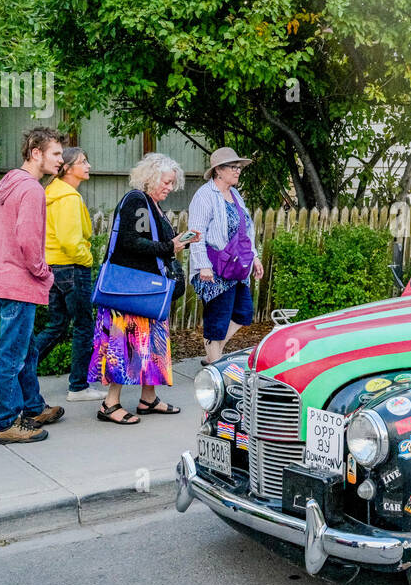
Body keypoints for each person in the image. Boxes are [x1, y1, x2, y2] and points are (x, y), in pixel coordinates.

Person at [90, 153, 196, 424]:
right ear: (151, 178)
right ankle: (109, 404)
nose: (170, 188)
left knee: (151, 345)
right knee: (122, 345)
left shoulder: (151, 205)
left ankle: (148, 399)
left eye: (173, 183)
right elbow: (130, 242)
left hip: (146, 292)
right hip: (130, 292)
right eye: (167, 182)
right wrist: (170, 246)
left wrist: (176, 242)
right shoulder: (138, 201)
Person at [0, 127, 66, 444]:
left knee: (26, 350)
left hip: (1, 278)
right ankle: (5, 422)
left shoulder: (10, 183)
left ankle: (33, 406)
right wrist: (44, 273)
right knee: (12, 356)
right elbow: (28, 242)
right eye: (56, 154)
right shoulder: (31, 190)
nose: (61, 160)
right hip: (18, 281)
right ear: (36, 153)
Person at [32, 147, 104, 401]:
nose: (88, 166)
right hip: (73, 269)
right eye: (82, 162)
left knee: (57, 325)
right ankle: (78, 387)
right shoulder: (69, 198)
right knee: (84, 326)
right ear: (67, 168)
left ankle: (21, 369)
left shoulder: (50, 194)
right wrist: (88, 259)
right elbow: (70, 241)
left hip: (53, 269)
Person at [188, 147, 262, 365]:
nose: (237, 171)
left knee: (243, 313)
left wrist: (255, 257)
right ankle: (216, 370)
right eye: (233, 167)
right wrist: (203, 265)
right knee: (217, 320)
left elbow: (246, 231)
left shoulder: (235, 195)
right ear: (218, 170)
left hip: (236, 267)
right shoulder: (204, 196)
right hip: (214, 268)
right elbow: (196, 234)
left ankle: (213, 355)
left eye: (239, 167)